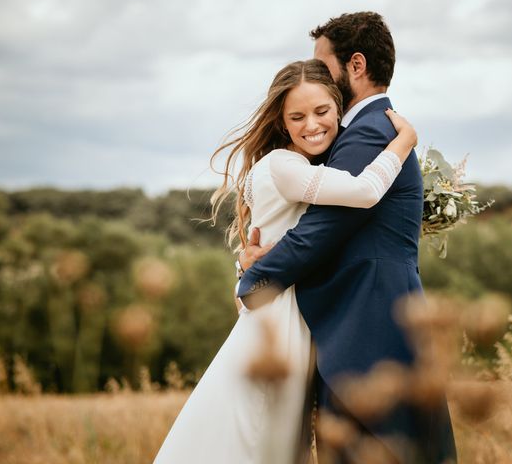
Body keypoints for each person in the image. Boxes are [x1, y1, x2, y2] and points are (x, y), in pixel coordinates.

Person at [153, 58, 417, 464]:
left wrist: (252, 266)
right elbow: (364, 192)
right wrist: (404, 142)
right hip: (280, 319)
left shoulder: (294, 165)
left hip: (287, 310)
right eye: (297, 117)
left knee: (273, 434)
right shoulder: (283, 166)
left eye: (322, 112)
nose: (311, 125)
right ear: (282, 122)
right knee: (260, 435)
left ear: (338, 107)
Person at [237, 12, 457, 463]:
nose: (317, 74)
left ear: (355, 65)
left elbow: (318, 234)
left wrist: (253, 277)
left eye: (323, 63)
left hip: (367, 335)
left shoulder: (369, 134)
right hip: (377, 326)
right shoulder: (373, 130)